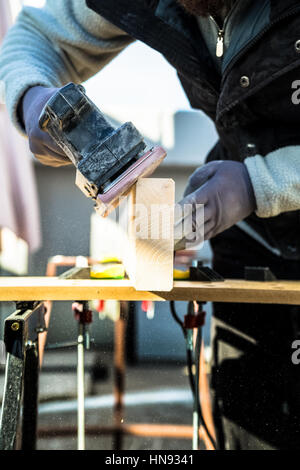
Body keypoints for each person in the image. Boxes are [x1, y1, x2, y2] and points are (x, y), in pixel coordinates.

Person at [1, 0, 300, 450]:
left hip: (253, 196)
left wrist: (262, 181)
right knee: (251, 425)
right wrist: (33, 98)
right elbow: (34, 38)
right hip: (252, 241)